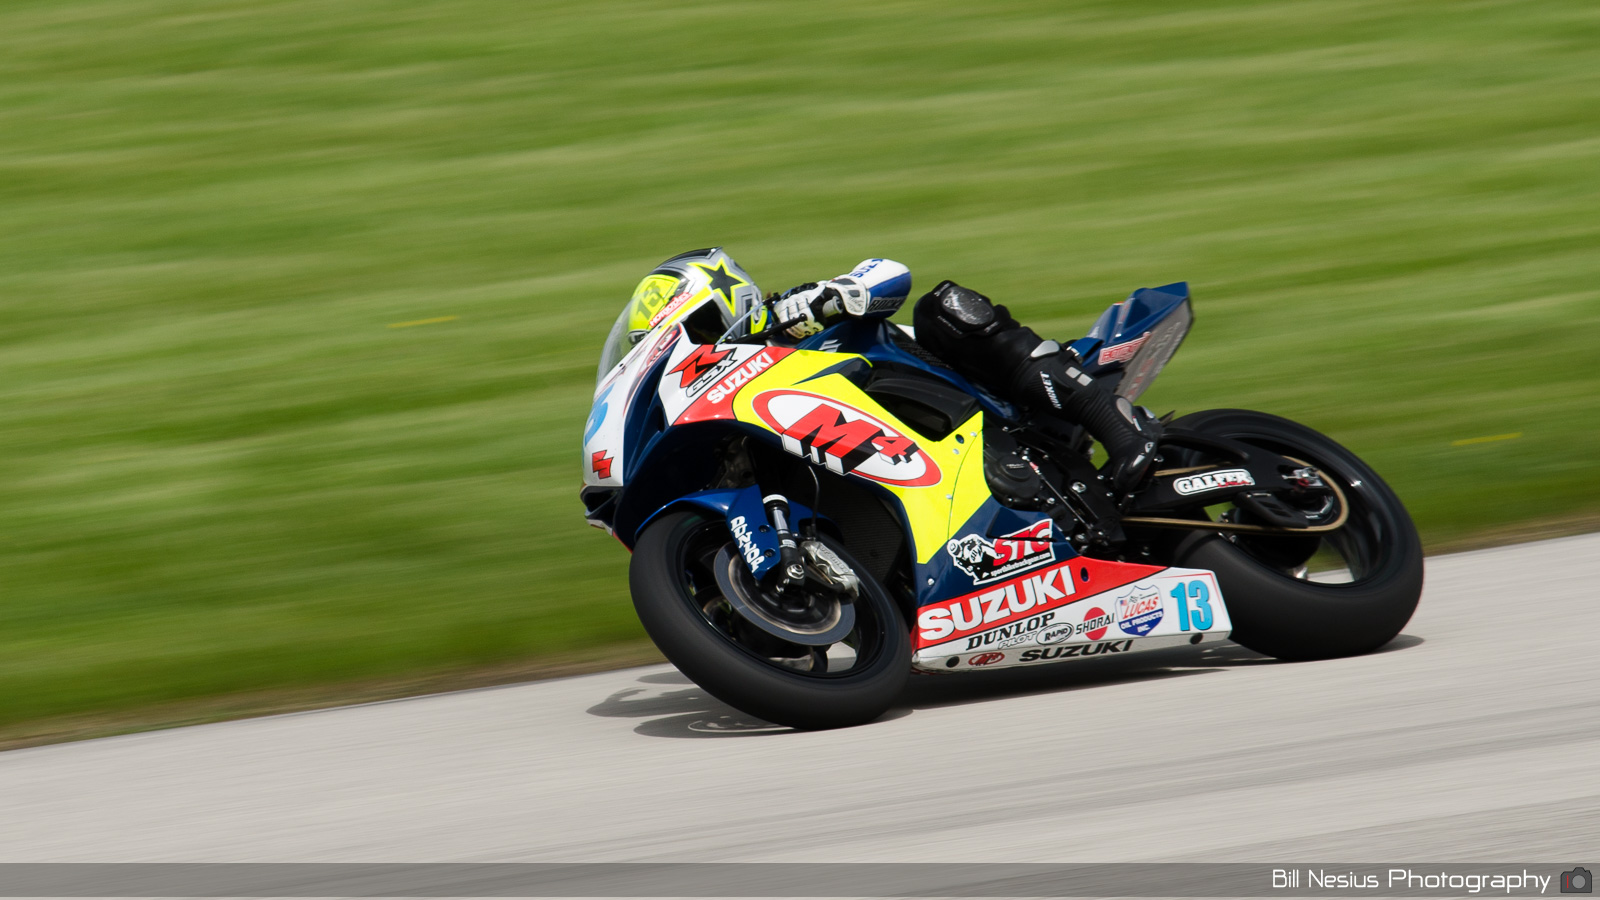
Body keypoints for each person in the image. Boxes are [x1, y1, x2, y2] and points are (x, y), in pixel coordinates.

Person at [770, 259, 1160, 491]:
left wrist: (832, 297)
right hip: (918, 475)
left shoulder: (784, 317)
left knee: (941, 306)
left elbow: (889, 274)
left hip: (989, 406)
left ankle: (1112, 420)